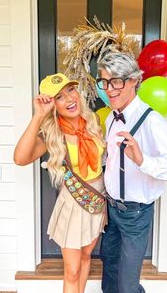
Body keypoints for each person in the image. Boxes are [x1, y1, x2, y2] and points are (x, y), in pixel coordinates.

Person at [96, 52, 167, 293]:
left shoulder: (152, 121)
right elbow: (112, 160)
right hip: (111, 208)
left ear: (134, 81)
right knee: (109, 273)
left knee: (127, 286)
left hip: (135, 215)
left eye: (116, 81)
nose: (109, 88)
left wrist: (142, 159)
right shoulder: (111, 120)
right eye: (104, 81)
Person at [14, 72, 107, 293]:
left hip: (97, 199)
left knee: (86, 258)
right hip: (74, 203)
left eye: (70, 90)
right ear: (52, 104)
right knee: (71, 270)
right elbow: (20, 158)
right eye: (59, 97)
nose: (69, 99)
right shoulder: (52, 134)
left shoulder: (93, 122)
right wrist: (38, 117)